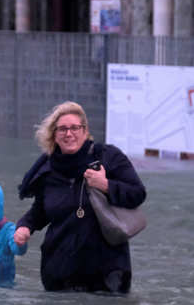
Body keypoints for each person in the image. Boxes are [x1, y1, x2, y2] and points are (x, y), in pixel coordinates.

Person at [13, 101, 146, 293]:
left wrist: (106, 185)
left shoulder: (109, 157)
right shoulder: (47, 170)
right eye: (62, 129)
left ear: (85, 131)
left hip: (108, 274)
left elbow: (137, 193)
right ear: (54, 135)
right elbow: (40, 210)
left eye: (75, 128)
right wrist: (25, 227)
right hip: (60, 273)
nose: (69, 134)